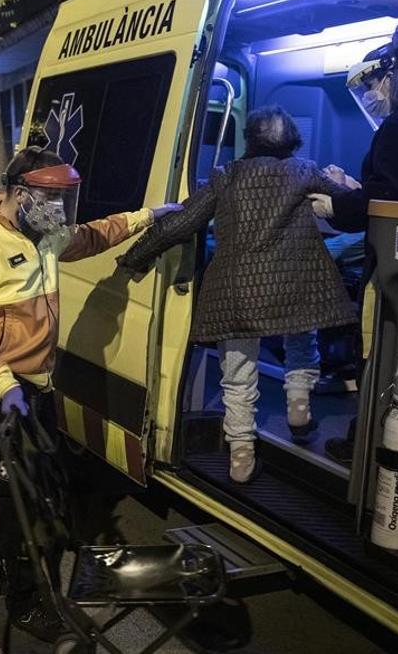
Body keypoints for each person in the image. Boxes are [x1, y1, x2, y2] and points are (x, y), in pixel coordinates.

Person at [0, 147, 181, 642]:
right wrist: (4, 383)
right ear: (19, 193)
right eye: (51, 199)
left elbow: (92, 236)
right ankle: (26, 603)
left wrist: (147, 217)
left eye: (64, 201)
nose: (59, 213)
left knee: (22, 491)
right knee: (29, 502)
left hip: (36, 387)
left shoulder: (44, 236)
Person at [117, 106, 355, 484]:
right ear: (292, 138)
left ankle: (241, 453)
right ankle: (298, 405)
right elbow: (351, 209)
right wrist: (350, 187)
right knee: (302, 337)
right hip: (295, 282)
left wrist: (134, 257)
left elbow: (181, 222)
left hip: (237, 291)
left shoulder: (225, 176)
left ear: (250, 140)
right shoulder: (305, 170)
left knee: (238, 373)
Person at [308, 26, 398, 464]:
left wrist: (334, 204)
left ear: (388, 78)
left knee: (374, 348)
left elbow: (386, 196)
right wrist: (358, 188)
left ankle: (362, 446)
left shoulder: (397, 129)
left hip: (391, 256)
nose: (370, 95)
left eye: (371, 85)